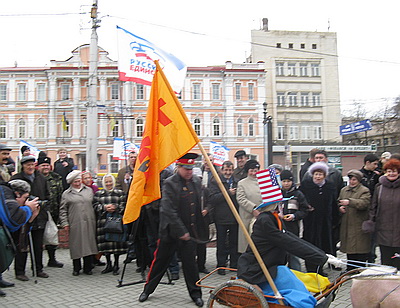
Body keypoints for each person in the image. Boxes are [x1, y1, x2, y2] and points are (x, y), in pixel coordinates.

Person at [237, 201, 337, 308]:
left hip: (270, 266)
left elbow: (292, 238)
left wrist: (323, 255)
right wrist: (322, 258)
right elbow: (287, 242)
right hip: (256, 269)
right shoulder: (265, 220)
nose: (283, 206)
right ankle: (308, 305)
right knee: (289, 282)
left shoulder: (272, 217)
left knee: (293, 278)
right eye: (280, 204)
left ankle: (309, 303)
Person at [138, 153, 208, 307]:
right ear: (178, 167)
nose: (189, 171)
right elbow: (168, 210)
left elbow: (197, 207)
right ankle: (147, 290)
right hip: (170, 232)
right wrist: (181, 231)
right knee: (159, 263)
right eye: (186, 168)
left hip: (188, 234)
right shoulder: (169, 183)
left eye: (191, 168)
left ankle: (196, 294)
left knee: (191, 265)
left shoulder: (196, 181)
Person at [11, 156, 51, 280]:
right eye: (27, 165)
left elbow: (48, 195)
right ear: (23, 166)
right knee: (22, 245)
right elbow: (12, 199)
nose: (30, 167)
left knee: (38, 245)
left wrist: (43, 203)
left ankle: (38, 268)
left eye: (32, 165)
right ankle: (19, 271)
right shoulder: (16, 179)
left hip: (39, 215)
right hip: (23, 215)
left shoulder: (41, 178)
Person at [0, 180, 40, 297]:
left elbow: (18, 228)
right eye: (25, 197)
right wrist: (27, 208)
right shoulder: (7, 199)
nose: (25, 201)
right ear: (17, 194)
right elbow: (14, 220)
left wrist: (31, 216)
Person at [299, 162, 340, 275]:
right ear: (312, 174)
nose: (318, 177)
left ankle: (320, 269)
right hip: (311, 221)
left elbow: (333, 203)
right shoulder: (306, 186)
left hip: (325, 222)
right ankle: (311, 269)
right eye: (316, 174)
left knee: (323, 246)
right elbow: (300, 201)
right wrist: (306, 207)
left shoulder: (329, 186)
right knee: (311, 244)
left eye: (320, 174)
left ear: (324, 175)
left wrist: (335, 219)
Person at [59, 170, 98, 276]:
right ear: (71, 183)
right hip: (75, 221)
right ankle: (76, 267)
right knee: (76, 244)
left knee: (88, 244)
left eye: (79, 181)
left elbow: (95, 204)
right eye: (75, 182)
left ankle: (88, 267)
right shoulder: (66, 194)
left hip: (89, 221)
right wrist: (65, 223)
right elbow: (63, 210)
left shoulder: (88, 191)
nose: (77, 183)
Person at [209, 161, 239, 275]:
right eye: (226, 170)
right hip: (220, 217)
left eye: (230, 170)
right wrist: (227, 193)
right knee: (221, 243)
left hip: (234, 217)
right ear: (222, 170)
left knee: (234, 243)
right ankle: (221, 265)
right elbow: (213, 198)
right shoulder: (215, 181)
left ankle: (234, 265)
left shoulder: (236, 182)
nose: (228, 172)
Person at [93, 174, 127, 275]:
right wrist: (104, 207)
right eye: (106, 182)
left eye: (110, 181)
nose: (108, 184)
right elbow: (94, 206)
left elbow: (124, 205)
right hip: (103, 223)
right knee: (105, 246)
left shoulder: (120, 193)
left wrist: (115, 207)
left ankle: (116, 264)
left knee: (116, 245)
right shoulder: (99, 194)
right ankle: (109, 264)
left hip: (116, 223)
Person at [369, 159, 400, 269]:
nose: (391, 174)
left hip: (398, 231)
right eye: (389, 171)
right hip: (384, 231)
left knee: (398, 262)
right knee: (386, 263)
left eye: (394, 171)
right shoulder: (380, 187)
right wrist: (371, 222)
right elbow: (374, 206)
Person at [338, 169, 371, 271]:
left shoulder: (364, 190)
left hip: (358, 223)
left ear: (359, 180)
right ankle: (350, 268)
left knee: (360, 248)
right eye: (350, 179)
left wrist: (349, 202)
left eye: (354, 180)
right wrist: (340, 207)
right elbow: (339, 201)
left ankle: (360, 268)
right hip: (347, 223)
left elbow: (363, 203)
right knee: (349, 249)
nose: (352, 182)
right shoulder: (344, 190)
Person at [36, 156, 64, 268]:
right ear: (38, 166)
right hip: (39, 213)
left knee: (52, 236)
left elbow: (60, 194)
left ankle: (52, 259)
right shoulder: (36, 178)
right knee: (39, 239)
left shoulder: (56, 177)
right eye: (43, 165)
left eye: (47, 165)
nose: (46, 167)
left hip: (54, 211)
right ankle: (38, 262)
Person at [279, 170, 309, 271]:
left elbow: (304, 210)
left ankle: (296, 273)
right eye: (284, 181)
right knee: (280, 254)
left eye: (288, 181)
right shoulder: (277, 194)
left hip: (293, 229)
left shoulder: (298, 194)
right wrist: (278, 215)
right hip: (279, 228)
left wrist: (294, 216)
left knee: (293, 254)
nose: (286, 183)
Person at [236, 159, 262, 254]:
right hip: (248, 216)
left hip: (263, 216)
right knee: (248, 245)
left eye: (256, 170)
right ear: (247, 171)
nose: (254, 173)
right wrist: (253, 208)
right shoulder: (242, 183)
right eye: (252, 170)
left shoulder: (264, 182)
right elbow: (241, 199)